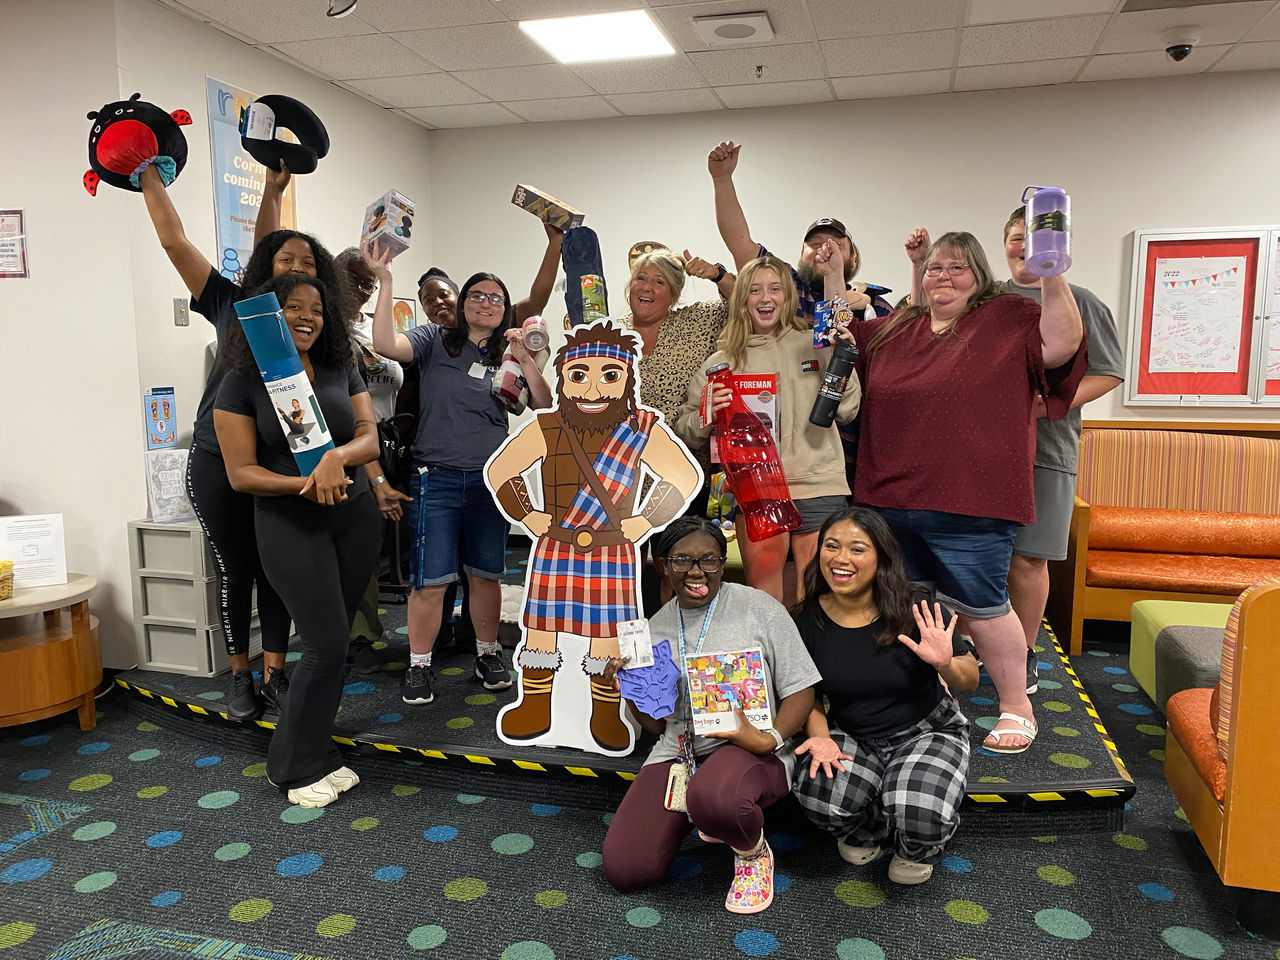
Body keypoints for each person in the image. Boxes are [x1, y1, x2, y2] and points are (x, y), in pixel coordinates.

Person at [849, 229, 1086, 755]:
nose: (944, 276)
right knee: (908, 604)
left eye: (957, 268)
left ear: (978, 276)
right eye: (936, 268)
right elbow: (835, 344)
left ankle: (1016, 707)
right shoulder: (898, 329)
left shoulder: (1007, 318)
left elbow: (1062, 346)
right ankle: (926, 702)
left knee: (982, 606)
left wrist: (1051, 270)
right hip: (889, 494)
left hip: (972, 498)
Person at [138, 161, 350, 720]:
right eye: (285, 260)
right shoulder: (234, 303)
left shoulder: (315, 327)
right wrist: (149, 177)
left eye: (308, 264)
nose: (297, 269)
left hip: (286, 461)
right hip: (220, 458)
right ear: (265, 266)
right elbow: (173, 239)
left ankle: (277, 673)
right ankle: (240, 675)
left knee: (276, 567)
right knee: (237, 567)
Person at [486, 321, 702, 753]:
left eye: (609, 376)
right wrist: (529, 515)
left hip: (612, 549)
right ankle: (536, 704)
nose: (593, 389)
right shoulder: (549, 427)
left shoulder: (641, 430)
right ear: (564, 379)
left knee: (606, 634)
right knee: (541, 629)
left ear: (626, 381)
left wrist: (643, 520)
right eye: (580, 375)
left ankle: (605, 711)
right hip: (556, 544)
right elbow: (500, 471)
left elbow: (680, 476)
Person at [213, 274, 381, 807]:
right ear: (269, 317)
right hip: (289, 521)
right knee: (326, 642)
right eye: (293, 308)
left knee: (338, 652)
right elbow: (241, 474)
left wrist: (335, 459)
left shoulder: (340, 366)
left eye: (316, 308)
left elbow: (368, 435)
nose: (307, 317)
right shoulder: (241, 381)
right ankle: (291, 765)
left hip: (353, 516)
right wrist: (306, 484)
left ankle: (318, 751)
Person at [601, 516, 821, 913]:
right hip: (680, 752)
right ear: (662, 565)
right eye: (682, 560)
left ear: (722, 562)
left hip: (752, 748)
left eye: (710, 560)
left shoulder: (757, 606)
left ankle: (752, 855)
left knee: (715, 797)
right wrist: (630, 691)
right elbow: (655, 724)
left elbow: (802, 688)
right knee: (626, 868)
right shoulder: (652, 630)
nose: (697, 572)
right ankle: (711, 813)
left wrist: (770, 738)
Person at [368, 243, 551, 706]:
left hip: (491, 480)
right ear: (463, 302)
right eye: (477, 295)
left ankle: (487, 653)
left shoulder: (509, 353)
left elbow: (545, 404)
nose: (485, 302)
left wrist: (524, 357)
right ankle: (419, 665)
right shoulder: (434, 340)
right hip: (438, 477)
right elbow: (386, 344)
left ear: (505, 308)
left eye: (495, 297)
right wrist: (386, 281)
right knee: (430, 579)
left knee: (486, 574)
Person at [791, 507, 978, 885]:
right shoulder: (804, 620)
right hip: (855, 732)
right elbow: (805, 692)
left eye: (858, 549)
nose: (841, 559)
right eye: (832, 546)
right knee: (819, 795)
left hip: (927, 730)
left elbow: (969, 678)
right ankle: (870, 826)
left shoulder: (917, 608)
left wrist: (944, 664)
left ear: (881, 558)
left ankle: (918, 846)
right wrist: (821, 737)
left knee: (919, 810)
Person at [706, 140, 894, 491]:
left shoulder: (877, 306)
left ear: (852, 255)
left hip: (864, 454)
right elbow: (740, 242)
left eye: (836, 244)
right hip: (791, 459)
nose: (825, 249)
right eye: (815, 243)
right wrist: (722, 180)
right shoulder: (787, 289)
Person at [675, 256, 860, 603]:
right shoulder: (721, 361)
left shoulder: (816, 343)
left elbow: (848, 409)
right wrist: (707, 413)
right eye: (755, 290)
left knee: (821, 599)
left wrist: (841, 356)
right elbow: (686, 430)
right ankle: (773, 659)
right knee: (765, 600)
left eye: (775, 289)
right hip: (757, 490)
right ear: (743, 298)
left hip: (818, 483)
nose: (766, 298)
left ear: (787, 297)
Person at [999, 208, 1124, 693]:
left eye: (1031, 241)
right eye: (1014, 239)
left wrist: (1047, 406)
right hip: (981, 454)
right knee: (975, 553)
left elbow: (1109, 371)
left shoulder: (1083, 301)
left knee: (1029, 560)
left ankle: (1025, 653)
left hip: (1047, 451)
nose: (1022, 249)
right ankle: (974, 647)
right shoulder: (988, 300)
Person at [336, 248, 412, 674]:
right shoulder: (329, 327)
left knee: (375, 544)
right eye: (354, 280)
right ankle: (355, 636)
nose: (362, 290)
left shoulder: (374, 326)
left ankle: (362, 630)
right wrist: (375, 474)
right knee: (357, 547)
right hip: (351, 446)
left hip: (389, 440)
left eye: (369, 282)